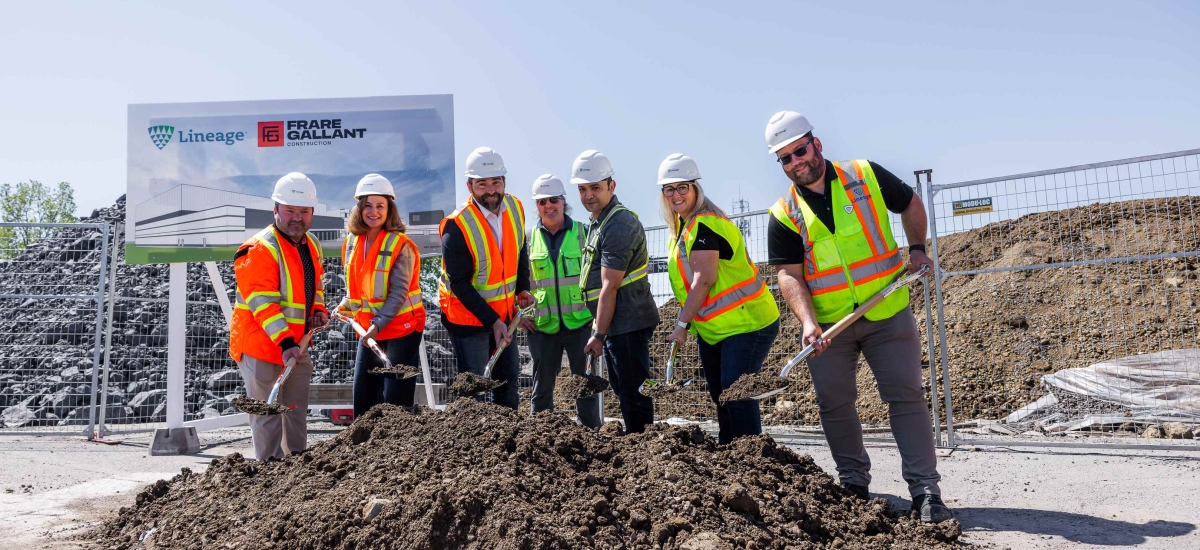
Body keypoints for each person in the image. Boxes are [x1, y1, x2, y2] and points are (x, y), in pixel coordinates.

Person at [763, 110, 951, 522]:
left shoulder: (864, 175)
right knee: (835, 403)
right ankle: (852, 484)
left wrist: (917, 248)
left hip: (886, 312)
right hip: (829, 327)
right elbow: (788, 275)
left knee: (905, 397)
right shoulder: (783, 213)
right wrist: (808, 322)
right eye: (786, 158)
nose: (797, 161)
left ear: (817, 144)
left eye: (800, 150)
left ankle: (925, 491)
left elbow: (911, 204)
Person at [658, 154, 781, 445]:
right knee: (720, 393)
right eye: (669, 189)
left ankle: (753, 457)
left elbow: (705, 279)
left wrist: (681, 325)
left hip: (748, 321)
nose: (676, 194)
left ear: (696, 188)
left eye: (683, 187)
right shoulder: (682, 229)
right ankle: (730, 453)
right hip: (716, 328)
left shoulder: (705, 224)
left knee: (736, 390)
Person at [230, 172, 329, 461]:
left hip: (296, 345)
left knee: (295, 413)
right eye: (290, 211)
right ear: (275, 209)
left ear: (312, 213)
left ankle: (296, 472)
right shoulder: (259, 249)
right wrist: (287, 344)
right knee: (268, 416)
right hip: (263, 346)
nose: (297, 218)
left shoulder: (311, 244)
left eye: (304, 211)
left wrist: (318, 311)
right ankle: (268, 476)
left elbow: (316, 285)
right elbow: (263, 304)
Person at [438, 147, 533, 409]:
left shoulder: (515, 207)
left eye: (496, 182)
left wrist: (522, 290)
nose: (490, 190)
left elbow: (520, 251)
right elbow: (458, 284)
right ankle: (470, 446)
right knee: (474, 391)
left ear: (504, 182)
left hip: (503, 315)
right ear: (469, 186)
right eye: (482, 184)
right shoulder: (456, 225)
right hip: (468, 320)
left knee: (507, 383)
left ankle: (509, 443)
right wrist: (492, 321)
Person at [574, 150, 660, 433]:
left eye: (595, 188)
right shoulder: (600, 221)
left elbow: (609, 286)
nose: (588, 195)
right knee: (624, 389)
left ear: (612, 186)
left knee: (633, 392)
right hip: (617, 322)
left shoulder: (619, 224)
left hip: (627, 322)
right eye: (583, 189)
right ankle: (639, 446)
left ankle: (642, 446)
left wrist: (598, 333)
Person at [338, 174, 425, 417]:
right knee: (364, 397)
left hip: (401, 329)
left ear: (390, 210)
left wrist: (376, 325)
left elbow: (399, 292)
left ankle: (399, 450)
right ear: (359, 208)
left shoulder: (401, 245)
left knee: (397, 400)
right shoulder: (352, 243)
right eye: (368, 205)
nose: (373, 212)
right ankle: (364, 450)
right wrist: (344, 306)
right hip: (370, 330)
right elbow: (357, 290)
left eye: (380, 206)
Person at [518, 174, 602, 428]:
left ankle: (591, 433)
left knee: (584, 384)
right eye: (542, 202)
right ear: (537, 206)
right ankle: (540, 436)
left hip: (580, 323)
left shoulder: (583, 233)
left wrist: (598, 318)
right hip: (542, 325)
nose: (549, 205)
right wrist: (519, 315)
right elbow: (517, 283)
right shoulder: (527, 240)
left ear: (563, 202)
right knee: (542, 385)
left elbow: (599, 277)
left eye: (553, 200)